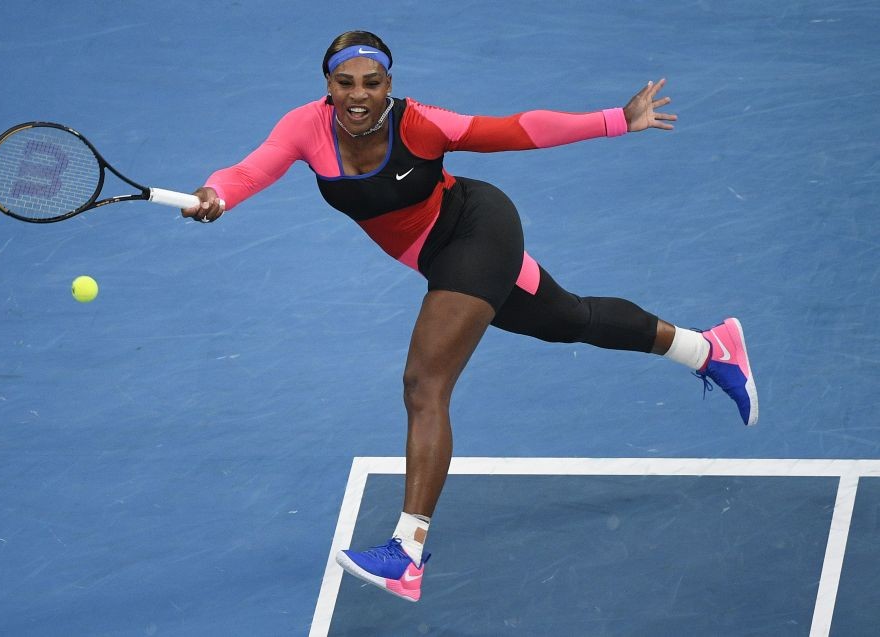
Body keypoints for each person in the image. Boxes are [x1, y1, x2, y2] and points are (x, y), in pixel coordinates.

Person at [183, 30, 758, 602]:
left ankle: (406, 553)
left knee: (423, 383)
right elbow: (250, 170)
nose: (358, 95)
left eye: (372, 83)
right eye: (344, 82)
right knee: (566, 319)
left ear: (390, 85)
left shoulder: (420, 125)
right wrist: (217, 194)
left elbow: (515, 130)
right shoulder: (303, 127)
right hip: (436, 255)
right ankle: (708, 349)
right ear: (327, 85)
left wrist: (615, 119)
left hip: (477, 227)